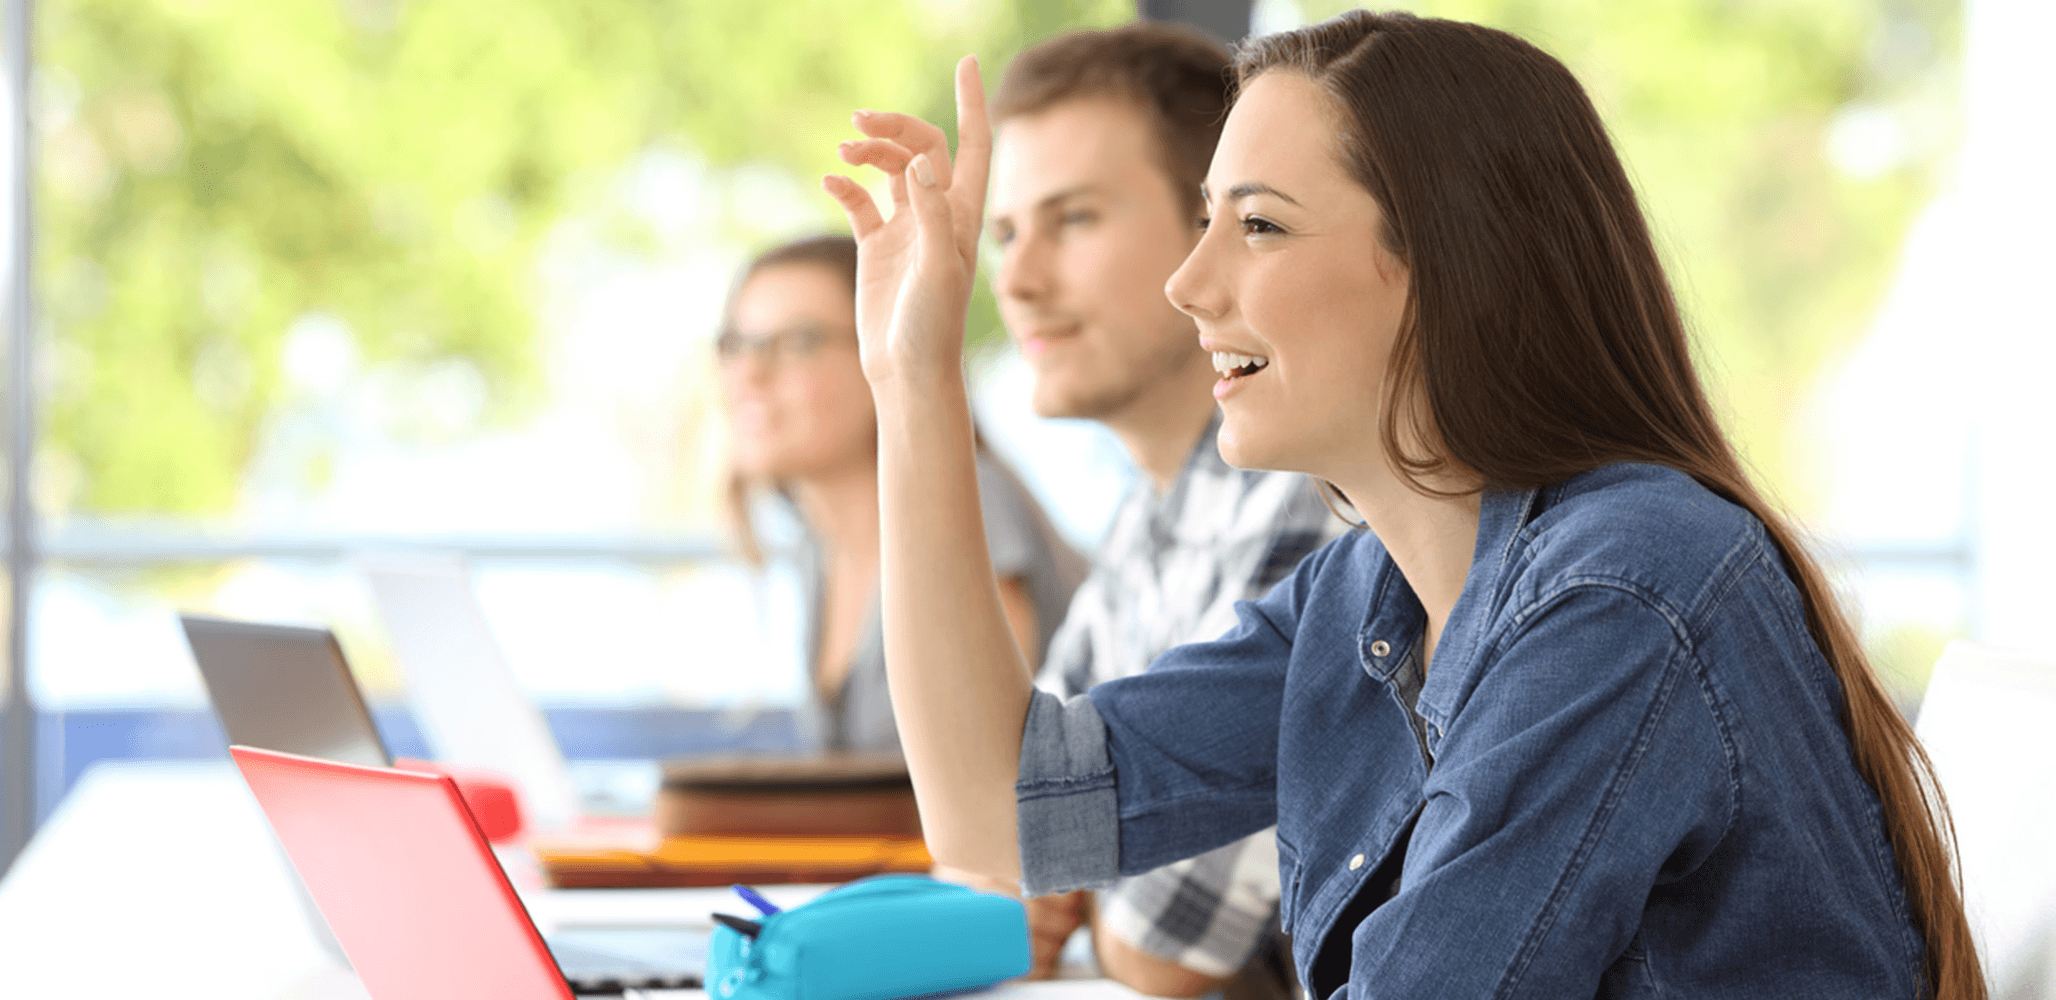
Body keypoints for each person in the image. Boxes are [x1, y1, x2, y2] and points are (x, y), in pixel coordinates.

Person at [823, 11, 1984, 1000]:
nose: (1190, 282)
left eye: (1259, 225)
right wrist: (911, 378)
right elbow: (1011, 813)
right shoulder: (1366, 589)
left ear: (1446, 268)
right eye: (1203, 219)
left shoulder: (1621, 593)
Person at [974, 24, 1343, 996]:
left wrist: (1072, 878)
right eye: (1004, 232)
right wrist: (1061, 865)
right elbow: (1009, 835)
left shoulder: (1310, 499)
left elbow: (1164, 954)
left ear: (1215, 226)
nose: (1015, 279)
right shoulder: (1154, 518)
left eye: (1074, 219)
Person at [717, 234, 1083, 756]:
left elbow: (988, 764)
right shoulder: (815, 546)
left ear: (888, 351)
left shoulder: (968, 501)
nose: (750, 374)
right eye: (737, 345)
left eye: (799, 342)